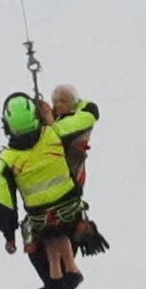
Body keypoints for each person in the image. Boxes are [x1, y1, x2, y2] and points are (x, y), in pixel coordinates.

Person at [0, 90, 97, 289]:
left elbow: (4, 203)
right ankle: (63, 278)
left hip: (42, 220)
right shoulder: (53, 134)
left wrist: (8, 236)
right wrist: (79, 104)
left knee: (36, 247)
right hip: (71, 210)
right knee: (57, 237)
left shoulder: (7, 161)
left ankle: (54, 283)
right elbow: (89, 114)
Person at [48, 84, 106, 258]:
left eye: (63, 101)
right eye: (55, 102)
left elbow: (57, 132)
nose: (58, 105)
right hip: (55, 182)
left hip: (70, 181)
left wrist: (45, 122)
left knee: (60, 229)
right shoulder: (58, 122)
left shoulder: (80, 119)